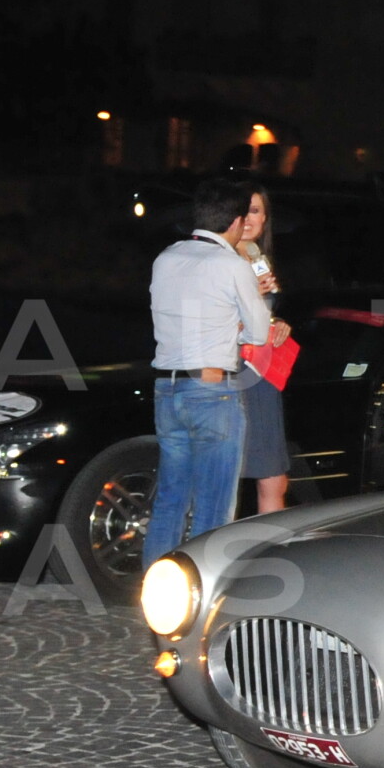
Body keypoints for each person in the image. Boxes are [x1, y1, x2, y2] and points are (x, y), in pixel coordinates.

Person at [143, 176, 284, 564]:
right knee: (214, 508)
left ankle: (155, 587)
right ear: (235, 222)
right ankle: (201, 592)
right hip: (212, 391)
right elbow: (258, 332)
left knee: (170, 500)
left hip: (167, 390)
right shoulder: (231, 265)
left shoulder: (166, 257)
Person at [235, 186, 291, 516]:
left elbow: (265, 309)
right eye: (242, 210)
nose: (247, 218)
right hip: (236, 374)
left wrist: (278, 323)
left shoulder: (257, 257)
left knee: (274, 478)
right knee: (246, 475)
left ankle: (269, 542)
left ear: (265, 218)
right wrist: (251, 297)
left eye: (254, 211)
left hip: (264, 372)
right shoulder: (221, 261)